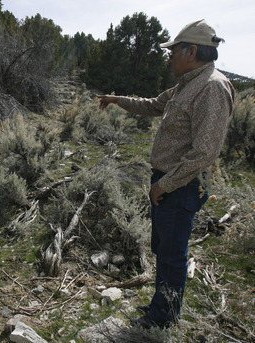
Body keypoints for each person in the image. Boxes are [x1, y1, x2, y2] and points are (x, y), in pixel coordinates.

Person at [97, 19, 235, 329]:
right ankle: (164, 305)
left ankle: (163, 320)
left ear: (191, 51)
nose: (169, 57)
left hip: (180, 185)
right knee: (164, 248)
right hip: (168, 182)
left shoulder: (212, 87)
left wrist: (164, 185)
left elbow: (204, 153)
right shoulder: (187, 83)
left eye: (172, 51)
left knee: (172, 253)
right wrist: (117, 100)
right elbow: (152, 105)